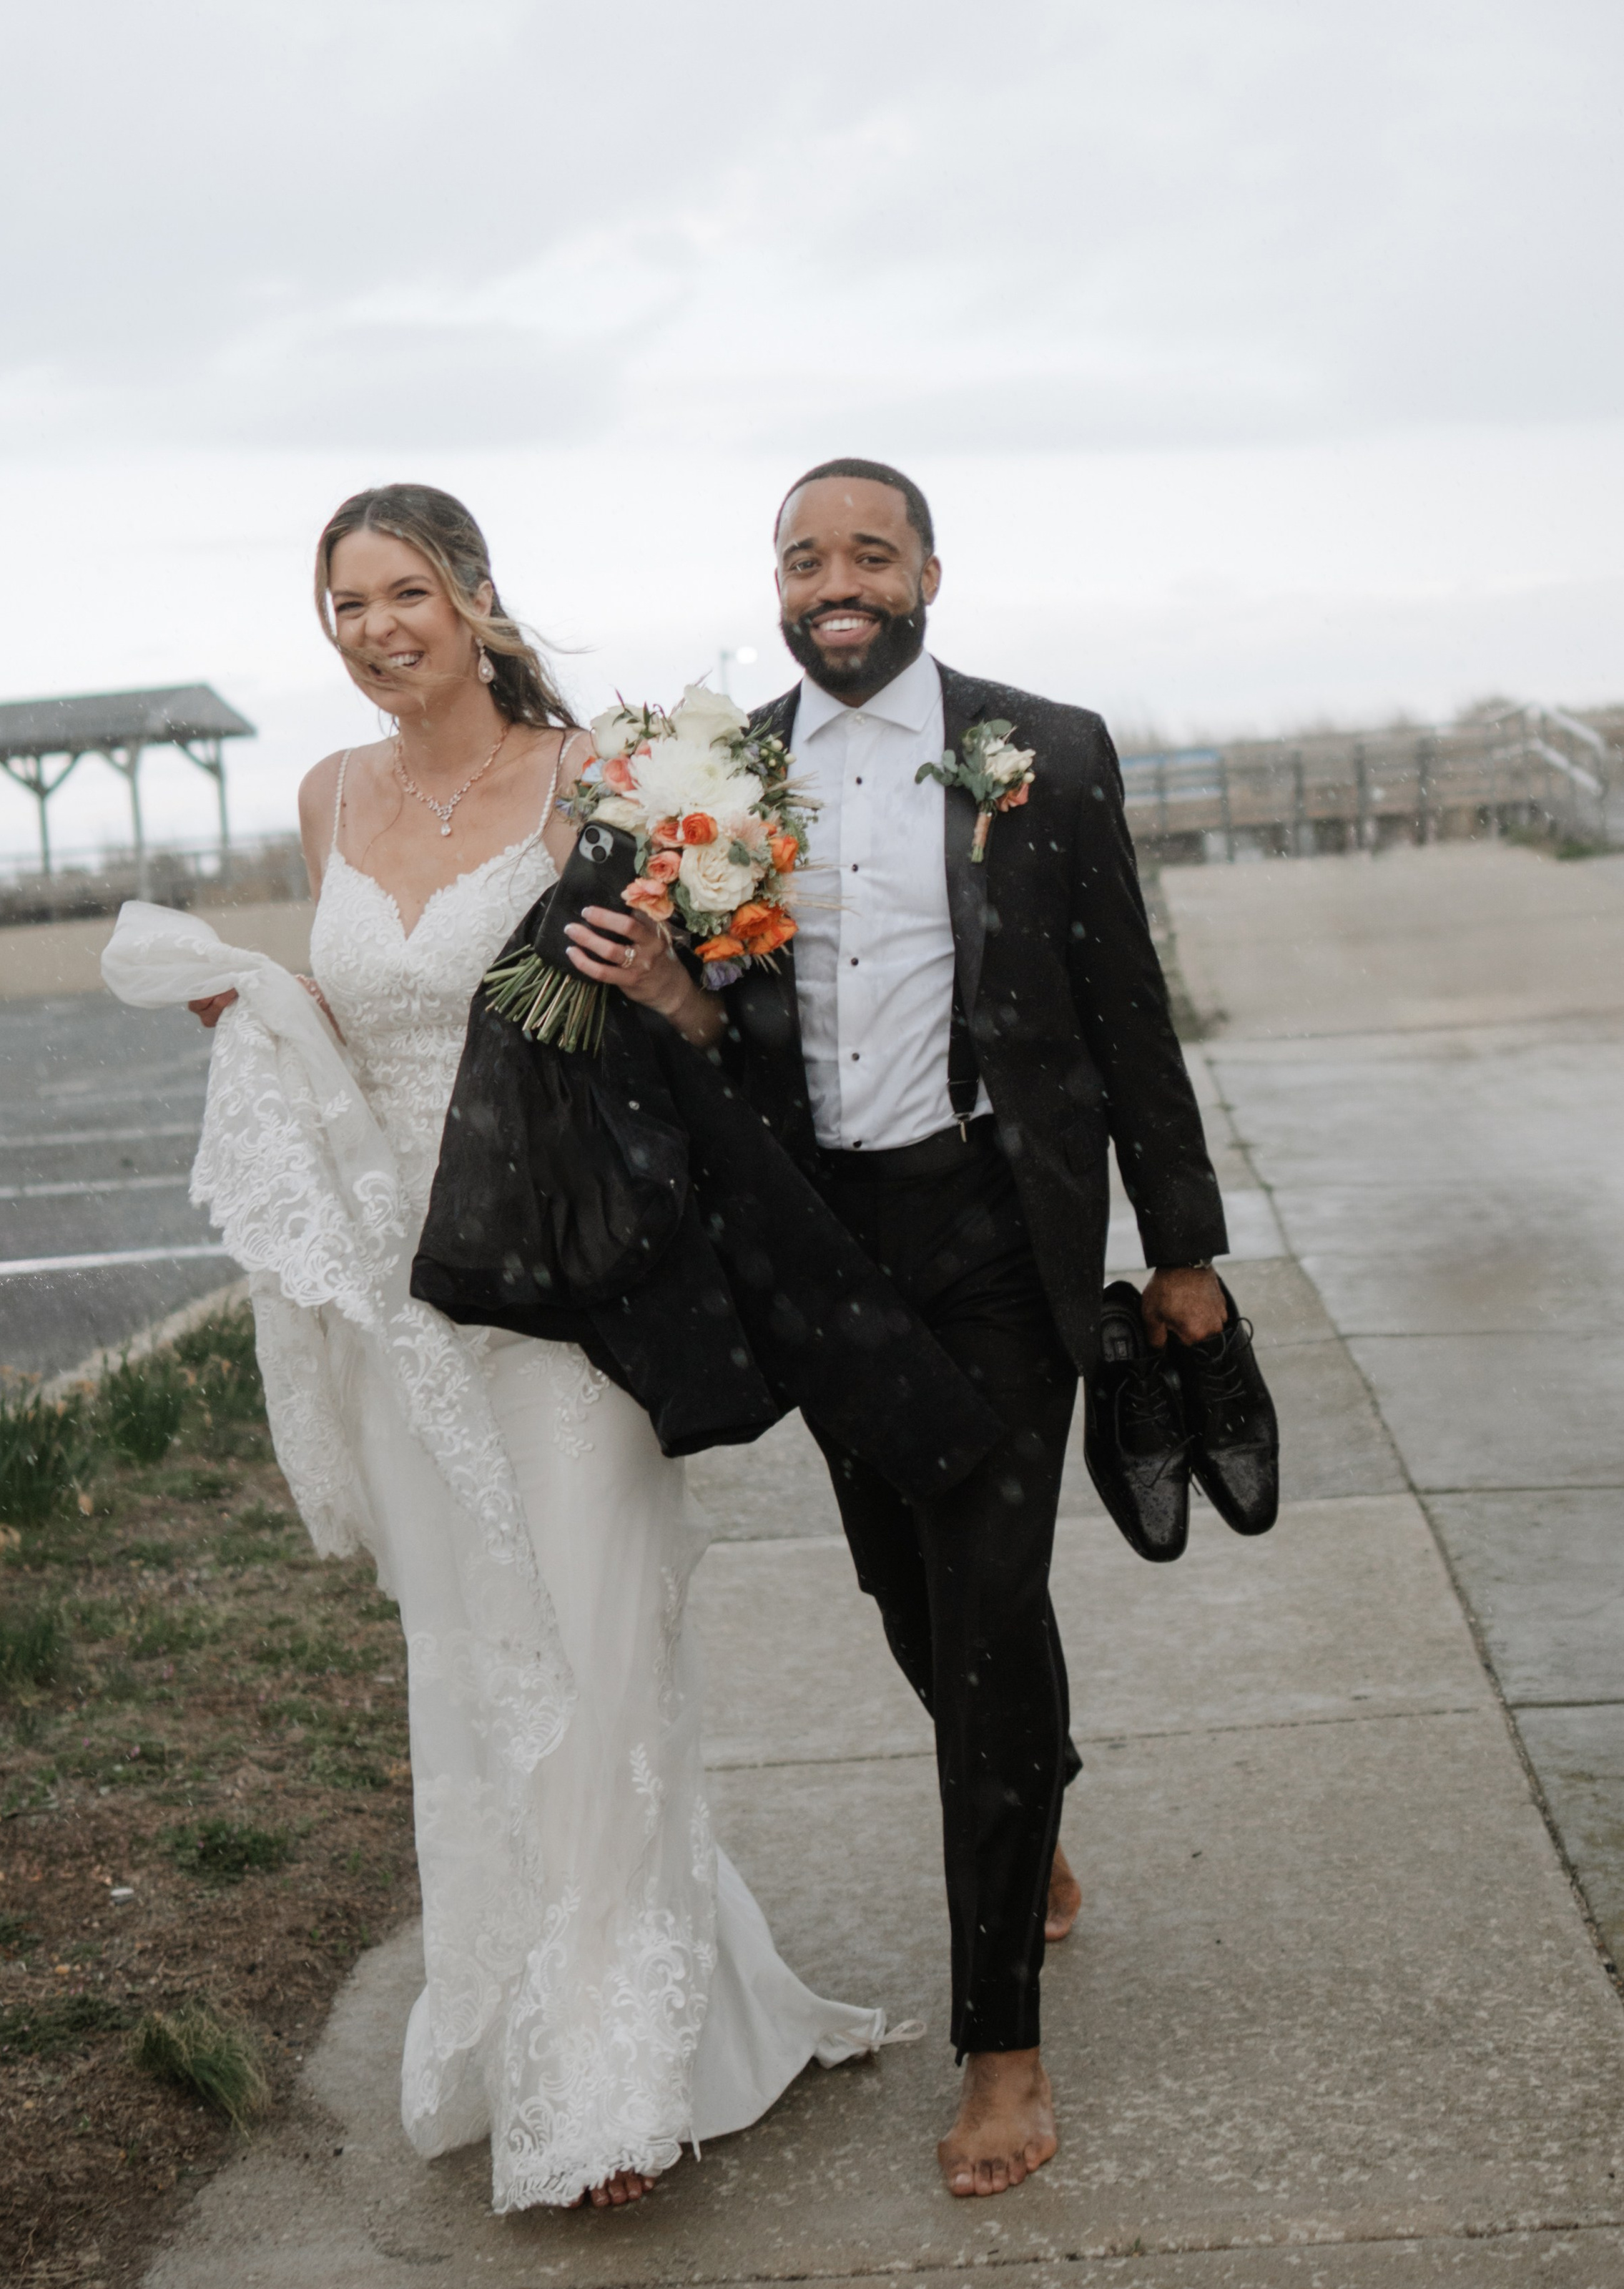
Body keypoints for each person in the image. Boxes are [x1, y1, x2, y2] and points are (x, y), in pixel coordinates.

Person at [183, 483, 887, 2213]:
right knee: (474, 1670)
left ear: (478, 600)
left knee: (594, 1653)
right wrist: (262, 1017)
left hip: (571, 1282)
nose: (374, 629)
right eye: (343, 604)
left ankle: (610, 2083)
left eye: (404, 592)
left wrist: (661, 980)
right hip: (403, 1296)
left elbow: (717, 1024)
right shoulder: (324, 797)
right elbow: (357, 1038)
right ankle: (535, 2018)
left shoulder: (598, 779)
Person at [722, 458, 1230, 2199]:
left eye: (868, 549)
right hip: (822, 1252)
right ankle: (1037, 1806)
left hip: (997, 1237)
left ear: (929, 567)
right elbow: (703, 1023)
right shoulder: (713, 775)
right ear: (775, 585)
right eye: (805, 557)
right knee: (908, 1605)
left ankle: (997, 2043)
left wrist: (1183, 1245)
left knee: (993, 1621)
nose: (835, 579)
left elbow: (1121, 1004)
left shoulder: (1048, 749)